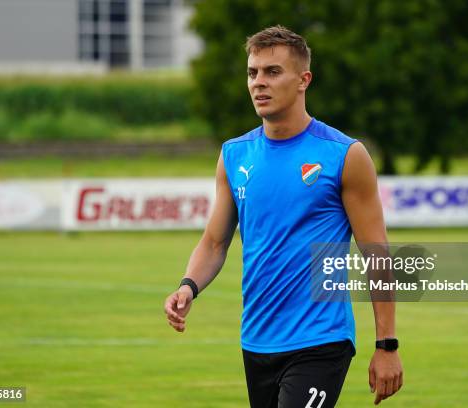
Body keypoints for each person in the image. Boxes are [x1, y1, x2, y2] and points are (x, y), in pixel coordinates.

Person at [164, 25, 403, 407]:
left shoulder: (344, 155)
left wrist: (386, 344)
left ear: (303, 79)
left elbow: (376, 252)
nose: (259, 82)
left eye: (272, 72)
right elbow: (214, 242)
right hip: (256, 340)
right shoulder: (234, 156)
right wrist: (188, 286)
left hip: (321, 340)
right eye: (252, 72)